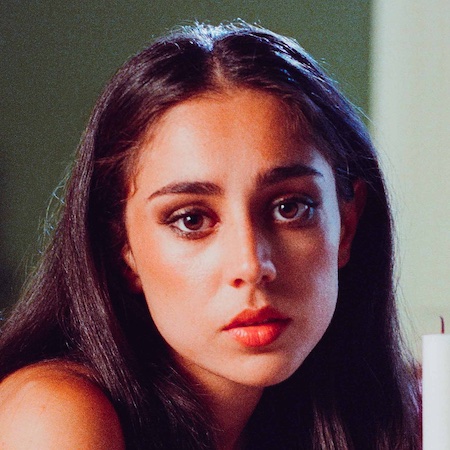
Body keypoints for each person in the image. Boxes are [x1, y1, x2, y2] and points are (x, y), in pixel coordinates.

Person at [0, 21, 420, 449]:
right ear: (122, 248)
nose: (252, 266)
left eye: (290, 208)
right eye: (191, 220)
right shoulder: (53, 415)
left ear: (347, 226)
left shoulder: (355, 419)